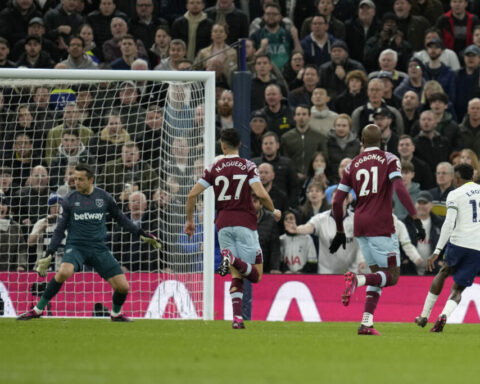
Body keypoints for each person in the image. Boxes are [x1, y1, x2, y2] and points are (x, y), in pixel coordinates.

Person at [17, 163, 161, 321]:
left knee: (123, 287)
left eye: (80, 179)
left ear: (91, 180)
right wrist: (49, 253)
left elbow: (121, 219)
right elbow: (60, 229)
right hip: (76, 247)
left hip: (98, 248)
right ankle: (37, 310)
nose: (76, 182)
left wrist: (141, 233)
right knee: (64, 272)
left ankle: (115, 313)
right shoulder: (70, 199)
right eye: (75, 179)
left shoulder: (103, 197)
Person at [329, 124, 426, 335]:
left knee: (379, 275)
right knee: (392, 276)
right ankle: (357, 280)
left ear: (361, 142)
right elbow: (399, 188)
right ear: (382, 140)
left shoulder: (351, 165)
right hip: (381, 225)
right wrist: (415, 217)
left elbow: (337, 201)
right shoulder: (390, 159)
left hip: (360, 225)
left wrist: (339, 230)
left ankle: (366, 323)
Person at [184, 128, 281, 329]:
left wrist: (190, 221)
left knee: (237, 275)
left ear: (223, 144)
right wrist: (273, 210)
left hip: (223, 224)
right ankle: (233, 259)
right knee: (256, 275)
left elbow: (192, 195)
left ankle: (237, 319)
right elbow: (260, 194)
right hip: (244, 223)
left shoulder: (214, 167)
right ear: (240, 145)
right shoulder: (248, 165)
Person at [415, 163, 480, 332]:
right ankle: (444, 315)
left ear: (456, 178)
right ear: (472, 176)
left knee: (443, 273)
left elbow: (449, 224)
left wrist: (437, 251)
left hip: (459, 242)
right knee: (458, 289)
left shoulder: (455, 194)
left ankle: (424, 315)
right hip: (477, 247)